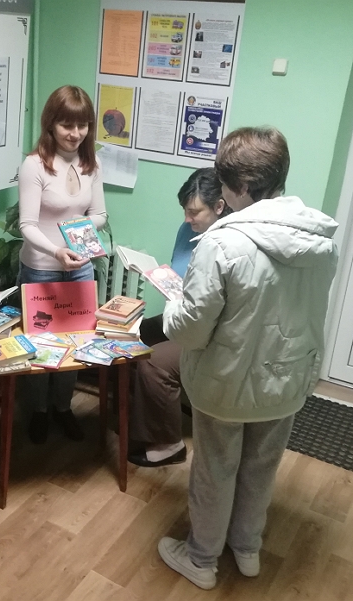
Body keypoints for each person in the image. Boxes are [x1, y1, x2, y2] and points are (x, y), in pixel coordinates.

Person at [156, 127, 339, 589]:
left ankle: (201, 559)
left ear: (238, 186)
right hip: (287, 379)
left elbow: (191, 330)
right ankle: (247, 547)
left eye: (223, 184)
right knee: (261, 466)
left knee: (215, 469)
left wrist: (174, 306)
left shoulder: (222, 244)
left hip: (227, 383)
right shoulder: (320, 241)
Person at [18, 85, 107, 444]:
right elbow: (27, 225)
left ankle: (63, 407)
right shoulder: (34, 165)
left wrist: (78, 231)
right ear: (51, 124)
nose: (75, 133)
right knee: (42, 342)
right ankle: (39, 410)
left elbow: (99, 215)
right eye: (67, 125)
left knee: (76, 341)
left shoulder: (91, 164)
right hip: (41, 267)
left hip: (80, 265)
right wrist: (57, 250)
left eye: (82, 125)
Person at [128, 168, 229, 468]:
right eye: (185, 210)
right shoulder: (188, 230)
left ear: (219, 207)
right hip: (183, 313)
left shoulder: (228, 245)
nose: (187, 219)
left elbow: (214, 310)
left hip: (209, 330)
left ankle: (169, 444)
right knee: (133, 334)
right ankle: (141, 418)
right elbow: (181, 276)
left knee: (154, 362)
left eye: (194, 212)